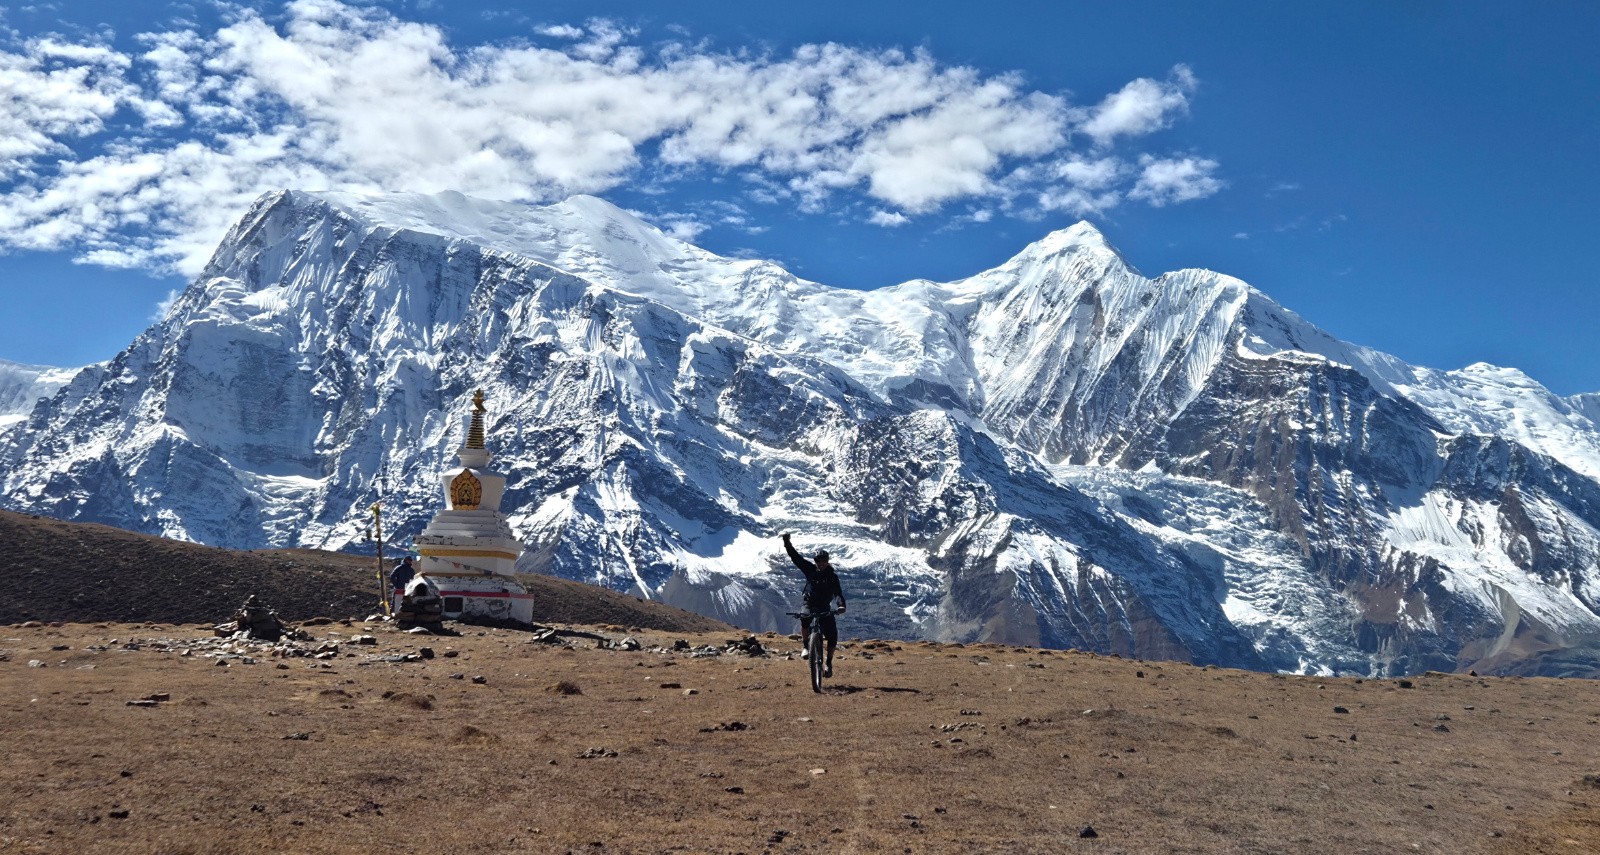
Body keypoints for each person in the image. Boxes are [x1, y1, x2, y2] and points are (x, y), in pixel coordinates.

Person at [781, 532, 847, 677]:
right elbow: (795, 557)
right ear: (815, 561)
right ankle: (805, 646)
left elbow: (838, 594)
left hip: (825, 607)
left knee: (832, 636)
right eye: (818, 561)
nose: (821, 563)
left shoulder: (832, 576)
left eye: (824, 560)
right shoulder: (810, 569)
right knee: (805, 618)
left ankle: (828, 662)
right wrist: (787, 542)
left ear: (827, 561)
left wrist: (841, 606)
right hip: (809, 603)